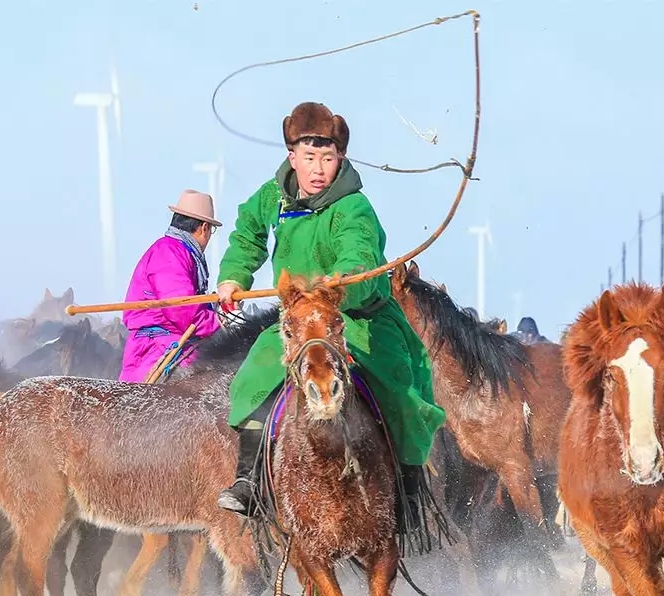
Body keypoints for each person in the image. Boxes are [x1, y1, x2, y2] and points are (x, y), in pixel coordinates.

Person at [213, 101, 446, 518]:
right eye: (309, 158)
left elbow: (360, 251)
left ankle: (407, 493)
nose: (319, 168)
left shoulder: (354, 207)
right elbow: (247, 234)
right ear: (292, 157)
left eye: (327, 157)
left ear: (340, 157)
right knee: (252, 378)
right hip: (298, 322)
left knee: (400, 391)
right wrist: (234, 278)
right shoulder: (273, 196)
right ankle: (249, 480)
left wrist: (343, 279)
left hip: (357, 318)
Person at [118, 191, 222, 382]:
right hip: (155, 349)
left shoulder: (178, 250)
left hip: (172, 340)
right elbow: (181, 309)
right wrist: (219, 323)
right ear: (204, 228)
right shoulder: (170, 252)